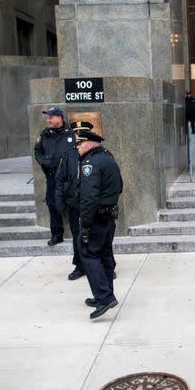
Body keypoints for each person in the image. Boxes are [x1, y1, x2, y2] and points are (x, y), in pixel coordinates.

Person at [75, 128, 123, 319]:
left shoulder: (90, 162)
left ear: (90, 143)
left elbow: (89, 196)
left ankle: (104, 297)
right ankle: (105, 294)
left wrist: (85, 222)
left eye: (79, 144)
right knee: (104, 254)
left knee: (87, 253)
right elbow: (120, 186)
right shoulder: (108, 158)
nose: (77, 147)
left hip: (95, 217)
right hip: (108, 216)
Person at [55, 121, 91, 281]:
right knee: (77, 235)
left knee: (97, 235)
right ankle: (80, 265)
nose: (78, 137)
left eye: (81, 133)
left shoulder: (96, 153)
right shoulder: (69, 155)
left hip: (91, 204)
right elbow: (60, 180)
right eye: (76, 133)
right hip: (74, 204)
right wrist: (60, 201)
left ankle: (105, 265)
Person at [34, 106, 73, 246]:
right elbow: (37, 151)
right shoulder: (45, 134)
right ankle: (56, 234)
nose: (48, 120)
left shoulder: (71, 133)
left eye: (51, 117)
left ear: (59, 118)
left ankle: (77, 232)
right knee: (52, 203)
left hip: (69, 177)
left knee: (73, 203)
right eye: (48, 117)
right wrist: (45, 162)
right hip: (52, 176)